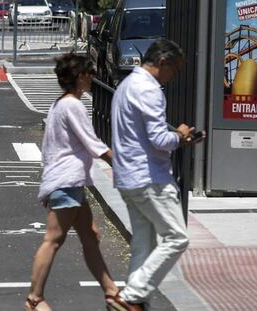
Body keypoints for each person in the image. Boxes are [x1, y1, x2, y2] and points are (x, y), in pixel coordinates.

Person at [110, 38, 204, 310]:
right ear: (163, 62)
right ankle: (130, 296)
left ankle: (136, 303)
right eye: (174, 70)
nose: (172, 77)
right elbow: (159, 140)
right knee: (177, 237)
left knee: (144, 244)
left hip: (127, 176)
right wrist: (180, 135)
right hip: (150, 177)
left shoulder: (126, 85)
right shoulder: (150, 90)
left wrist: (179, 138)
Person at [24, 53, 122, 311]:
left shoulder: (59, 104)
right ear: (80, 77)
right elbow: (93, 144)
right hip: (66, 181)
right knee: (53, 239)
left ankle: (112, 293)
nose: (93, 77)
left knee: (90, 236)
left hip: (68, 182)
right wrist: (123, 163)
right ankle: (35, 299)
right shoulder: (73, 106)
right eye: (90, 73)